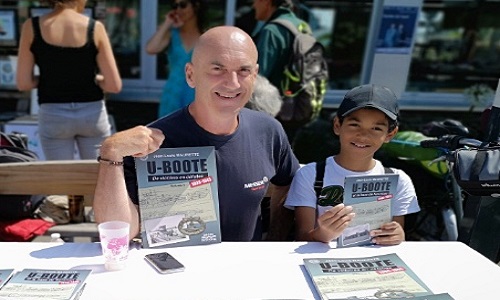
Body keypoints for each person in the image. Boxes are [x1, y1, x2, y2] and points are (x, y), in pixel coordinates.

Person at [93, 26, 301, 242]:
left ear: (255, 75)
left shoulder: (268, 131)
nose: (232, 82)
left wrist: (276, 237)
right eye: (217, 69)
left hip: (243, 270)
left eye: (243, 71)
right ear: (191, 75)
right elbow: (119, 235)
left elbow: (288, 182)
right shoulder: (151, 143)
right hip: (174, 272)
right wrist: (111, 152)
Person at [284, 84, 420, 245]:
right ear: (337, 125)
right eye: (354, 124)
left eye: (376, 128)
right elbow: (302, 237)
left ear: (390, 134)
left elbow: (394, 236)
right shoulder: (310, 175)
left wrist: (396, 236)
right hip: (324, 263)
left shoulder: (398, 180)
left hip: (374, 264)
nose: (363, 135)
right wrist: (323, 233)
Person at [16, 0, 122, 160]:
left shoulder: (32, 27)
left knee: (61, 179)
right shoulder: (95, 27)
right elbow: (113, 85)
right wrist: (94, 78)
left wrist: (50, 78)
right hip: (92, 113)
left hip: (53, 113)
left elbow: (24, 83)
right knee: (98, 177)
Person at [252, 0, 308, 144]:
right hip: (299, 106)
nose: (253, 6)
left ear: (266, 2)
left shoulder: (272, 31)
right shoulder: (301, 26)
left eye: (255, 1)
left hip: (274, 111)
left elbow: (257, 77)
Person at [146, 0, 206, 118]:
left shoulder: (206, 37)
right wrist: (167, 23)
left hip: (197, 94)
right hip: (173, 93)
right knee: (168, 133)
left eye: (183, 5)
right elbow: (150, 49)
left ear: (196, 6)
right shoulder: (172, 34)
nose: (178, 9)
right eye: (175, 6)